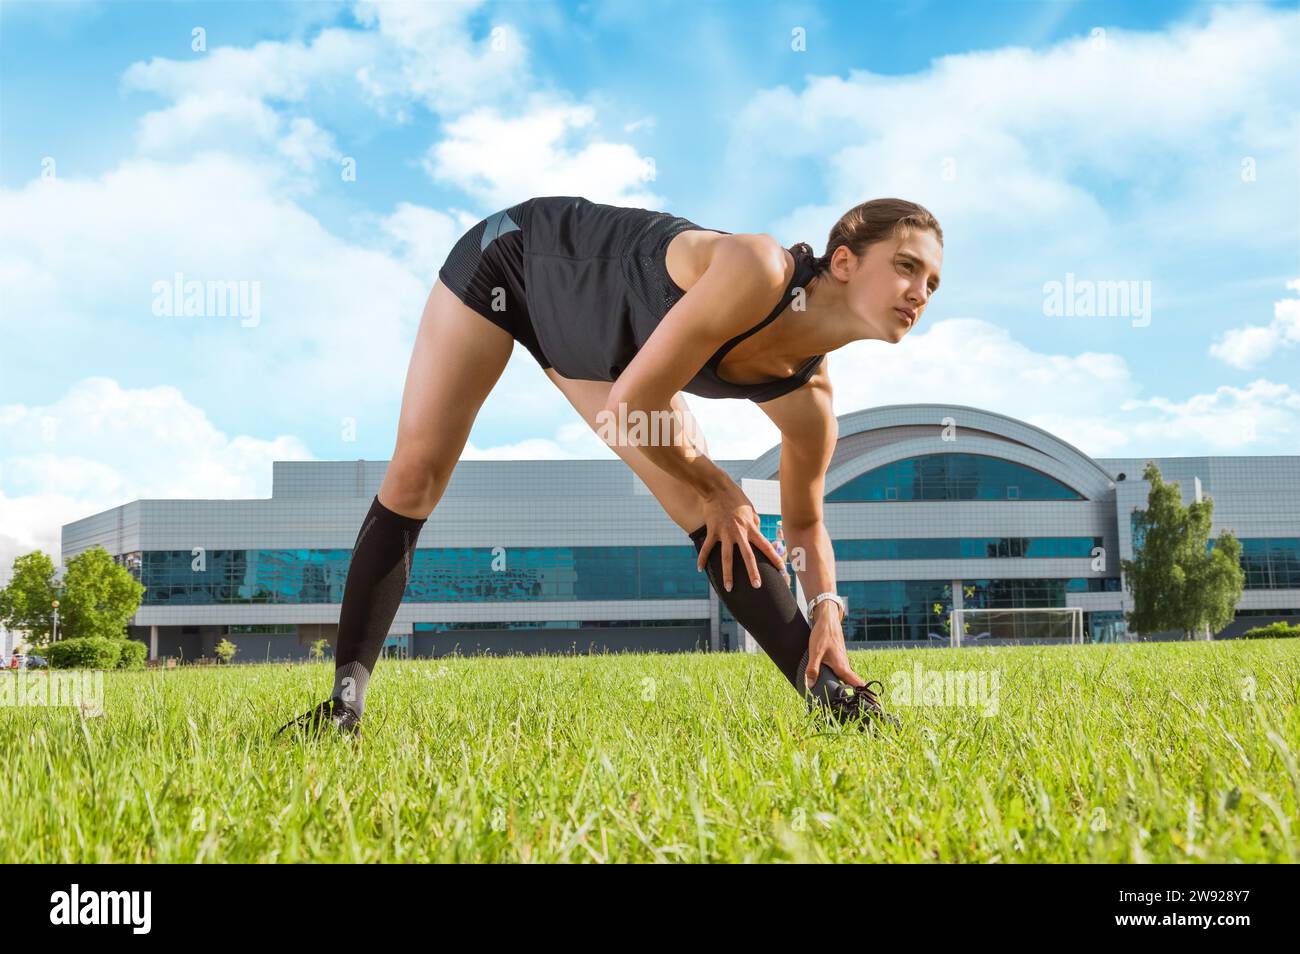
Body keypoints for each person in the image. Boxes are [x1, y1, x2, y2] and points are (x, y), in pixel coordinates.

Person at [277, 195, 942, 739]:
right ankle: (342, 708)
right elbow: (634, 408)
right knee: (417, 476)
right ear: (847, 261)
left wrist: (826, 604)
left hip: (608, 360)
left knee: (710, 515)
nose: (921, 291)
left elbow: (804, 521)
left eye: (933, 282)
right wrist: (716, 483)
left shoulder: (811, 403)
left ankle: (837, 701)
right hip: (515, 263)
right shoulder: (758, 268)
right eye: (908, 266)